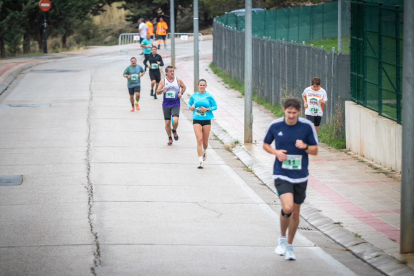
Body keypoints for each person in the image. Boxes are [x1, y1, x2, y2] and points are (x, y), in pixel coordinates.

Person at [263, 98, 318, 261]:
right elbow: (265, 144)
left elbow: (315, 150)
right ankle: (281, 238)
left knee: (295, 212)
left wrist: (305, 147)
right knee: (287, 208)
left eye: (295, 113)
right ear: (284, 110)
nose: (292, 115)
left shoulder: (307, 127)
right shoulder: (275, 125)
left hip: (301, 175)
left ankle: (290, 245)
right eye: (289, 112)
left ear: (299, 112)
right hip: (281, 173)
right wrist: (275, 152)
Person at [188, 79, 218, 169]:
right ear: (198, 86)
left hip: (206, 120)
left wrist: (207, 109)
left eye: (203, 85)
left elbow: (215, 107)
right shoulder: (194, 96)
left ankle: (204, 150)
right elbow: (189, 104)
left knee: (205, 142)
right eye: (200, 85)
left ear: (206, 86)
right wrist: (191, 107)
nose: (202, 86)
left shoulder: (209, 96)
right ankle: (200, 161)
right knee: (199, 139)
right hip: (196, 119)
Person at [156, 66, 186, 146]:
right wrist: (163, 90)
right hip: (166, 104)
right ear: (166, 73)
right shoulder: (163, 81)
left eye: (173, 71)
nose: (172, 72)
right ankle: (170, 138)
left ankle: (174, 130)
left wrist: (181, 93)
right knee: (167, 122)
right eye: (170, 71)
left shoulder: (178, 80)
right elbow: (157, 92)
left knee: (175, 121)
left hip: (176, 103)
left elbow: (184, 87)